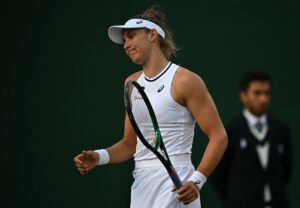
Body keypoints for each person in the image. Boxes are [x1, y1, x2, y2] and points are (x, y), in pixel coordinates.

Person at [74, 6, 227, 208]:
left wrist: (197, 180)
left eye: (131, 36)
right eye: (124, 41)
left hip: (178, 183)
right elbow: (130, 145)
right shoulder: (131, 84)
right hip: (142, 184)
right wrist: (99, 156)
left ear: (153, 34)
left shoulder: (185, 81)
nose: (125, 45)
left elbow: (219, 136)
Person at [211, 71, 292, 208]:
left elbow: (287, 170)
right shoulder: (230, 132)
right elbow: (218, 175)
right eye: (257, 93)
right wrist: (236, 199)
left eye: (267, 93)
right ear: (243, 96)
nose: (263, 99)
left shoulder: (281, 130)